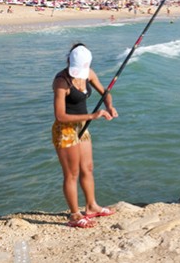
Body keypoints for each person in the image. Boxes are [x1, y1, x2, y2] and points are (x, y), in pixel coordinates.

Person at [52, 43, 118, 228]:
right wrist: (93, 116)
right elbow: (60, 115)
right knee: (71, 174)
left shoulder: (89, 73)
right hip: (65, 130)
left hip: (82, 127)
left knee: (87, 168)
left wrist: (109, 106)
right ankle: (74, 215)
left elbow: (105, 93)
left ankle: (91, 206)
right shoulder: (61, 81)